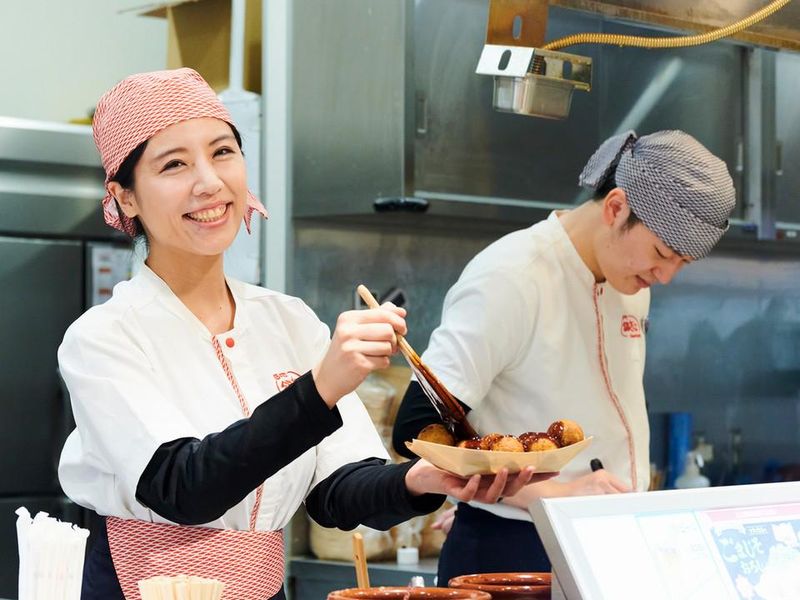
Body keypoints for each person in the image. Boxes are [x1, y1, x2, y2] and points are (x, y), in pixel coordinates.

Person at [57, 68, 543, 600]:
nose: (210, 181)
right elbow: (185, 488)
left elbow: (336, 491)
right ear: (125, 198)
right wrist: (319, 389)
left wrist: (422, 481)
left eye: (223, 152)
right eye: (174, 164)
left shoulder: (287, 320)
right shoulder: (103, 338)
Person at [392, 129, 737, 584]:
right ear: (616, 208)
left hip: (610, 545)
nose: (666, 276)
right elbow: (418, 432)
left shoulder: (631, 282)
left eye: (682, 263)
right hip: (515, 552)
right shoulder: (511, 277)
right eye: (661, 254)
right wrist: (549, 495)